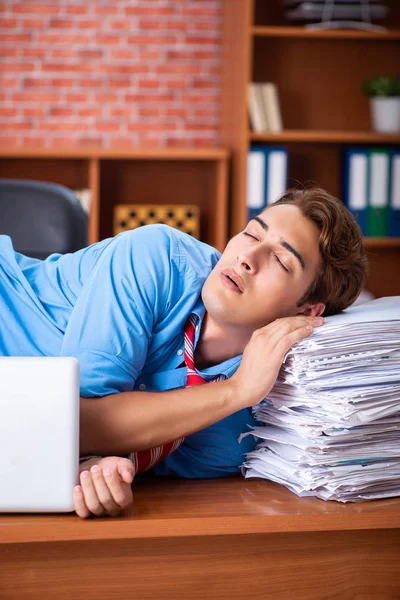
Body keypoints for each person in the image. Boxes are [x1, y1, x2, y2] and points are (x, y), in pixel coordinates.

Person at [0, 186, 368, 518]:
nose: (247, 257)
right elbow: (77, 422)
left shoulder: (248, 429)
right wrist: (235, 390)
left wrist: (94, 469)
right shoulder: (154, 257)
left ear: (306, 311)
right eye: (252, 233)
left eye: (281, 261)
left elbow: (90, 446)